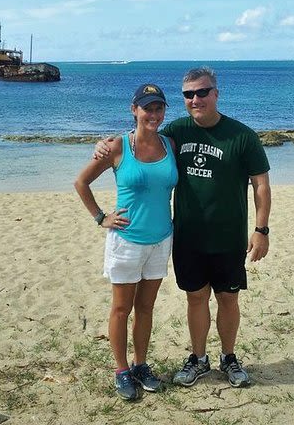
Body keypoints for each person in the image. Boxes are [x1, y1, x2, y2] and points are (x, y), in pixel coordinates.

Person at [95, 67, 271, 388]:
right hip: (187, 237)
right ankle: (199, 359)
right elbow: (143, 135)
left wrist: (261, 230)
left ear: (216, 93)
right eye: (189, 94)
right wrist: (106, 145)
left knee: (229, 299)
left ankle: (229, 357)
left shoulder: (242, 136)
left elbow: (260, 184)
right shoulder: (177, 131)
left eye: (202, 92)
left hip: (229, 237)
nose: (195, 99)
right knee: (195, 299)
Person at [74, 83, 178, 400]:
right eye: (147, 107)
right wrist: (100, 217)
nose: (154, 114)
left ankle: (140, 364)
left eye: (159, 107)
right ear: (134, 110)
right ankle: (121, 370)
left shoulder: (171, 143)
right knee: (122, 308)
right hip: (127, 240)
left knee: (146, 308)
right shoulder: (118, 147)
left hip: (161, 239)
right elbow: (81, 182)